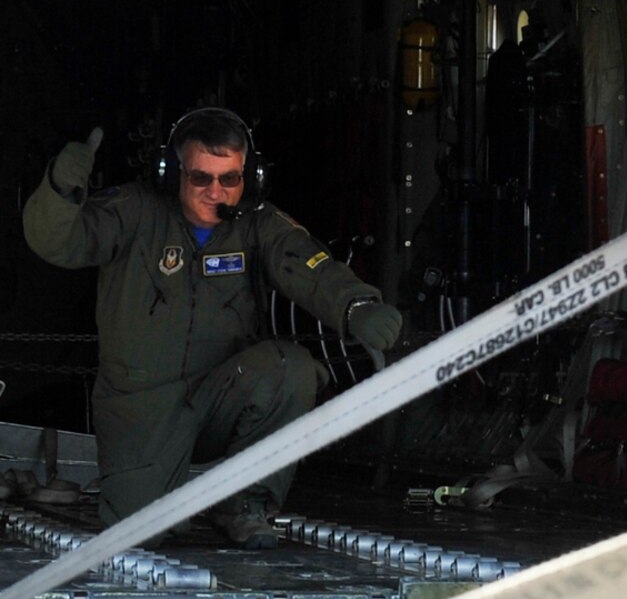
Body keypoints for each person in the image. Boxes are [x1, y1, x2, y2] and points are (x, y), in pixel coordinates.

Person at [21, 108, 402, 547]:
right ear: (172, 174)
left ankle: (244, 503)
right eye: (201, 178)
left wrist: (356, 306)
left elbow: (309, 266)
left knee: (290, 370)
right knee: (141, 534)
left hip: (221, 394)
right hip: (143, 407)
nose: (215, 192)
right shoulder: (131, 211)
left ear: (249, 177)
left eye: (230, 179)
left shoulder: (257, 222)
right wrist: (60, 190)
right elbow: (57, 242)